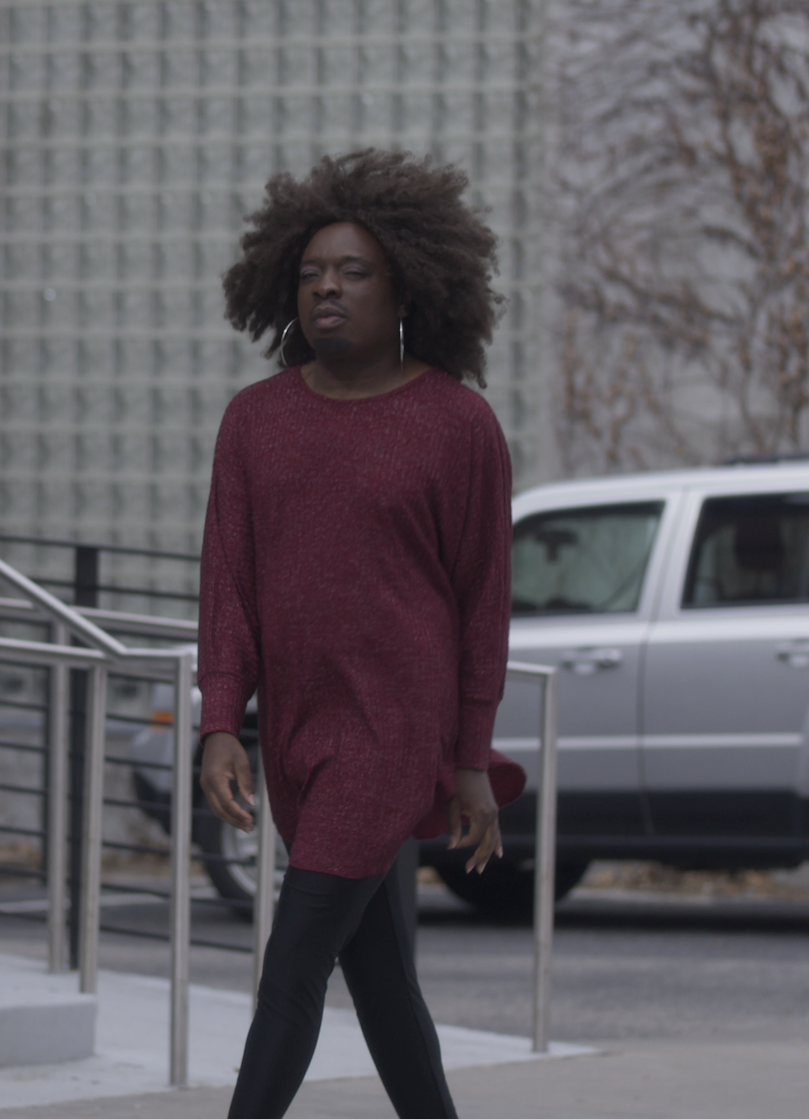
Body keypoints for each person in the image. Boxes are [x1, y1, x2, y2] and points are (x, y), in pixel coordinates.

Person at [198, 149, 524, 1119]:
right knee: (379, 980)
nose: (324, 288)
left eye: (351, 271)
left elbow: (481, 603)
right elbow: (229, 585)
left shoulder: (456, 427)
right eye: (307, 274)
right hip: (299, 735)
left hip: (391, 733)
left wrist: (467, 758)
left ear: (405, 290)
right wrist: (222, 720)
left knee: (292, 963)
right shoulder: (253, 424)